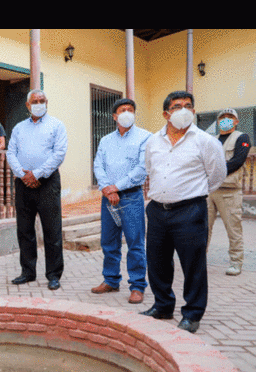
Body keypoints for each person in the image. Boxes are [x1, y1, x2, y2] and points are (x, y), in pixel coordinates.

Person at [141, 91, 226, 333]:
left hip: (190, 211)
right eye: (177, 106)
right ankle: (163, 305)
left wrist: (191, 194)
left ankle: (192, 314)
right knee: (157, 263)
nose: (183, 110)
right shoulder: (153, 142)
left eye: (188, 106)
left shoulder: (205, 141)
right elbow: (150, 169)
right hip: (157, 210)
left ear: (194, 111)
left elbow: (217, 176)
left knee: (193, 264)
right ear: (166, 113)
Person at [92, 98, 151, 304]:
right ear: (114, 116)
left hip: (131, 196)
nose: (127, 113)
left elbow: (142, 168)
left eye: (130, 110)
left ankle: (137, 286)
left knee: (135, 242)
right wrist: (108, 189)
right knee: (109, 241)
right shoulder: (106, 140)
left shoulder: (145, 137)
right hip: (108, 198)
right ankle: (110, 280)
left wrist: (116, 187)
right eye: (122, 110)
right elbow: (98, 165)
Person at [6, 89, 67, 290]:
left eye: (42, 100)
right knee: (24, 230)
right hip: (23, 183)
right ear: (27, 105)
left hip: (47, 183)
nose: (39, 103)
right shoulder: (18, 128)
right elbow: (11, 152)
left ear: (47, 102)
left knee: (52, 230)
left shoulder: (56, 125)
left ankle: (54, 274)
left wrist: (37, 174)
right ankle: (28, 272)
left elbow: (59, 154)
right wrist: (23, 174)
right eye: (35, 101)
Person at [207, 108, 251, 276]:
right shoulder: (213, 140)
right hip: (210, 191)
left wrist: (215, 171)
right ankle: (199, 260)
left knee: (233, 228)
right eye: (223, 117)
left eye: (230, 117)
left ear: (236, 121)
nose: (226, 119)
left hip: (229, 191)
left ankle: (236, 262)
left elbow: (238, 161)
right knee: (203, 228)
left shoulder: (241, 137)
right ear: (218, 121)